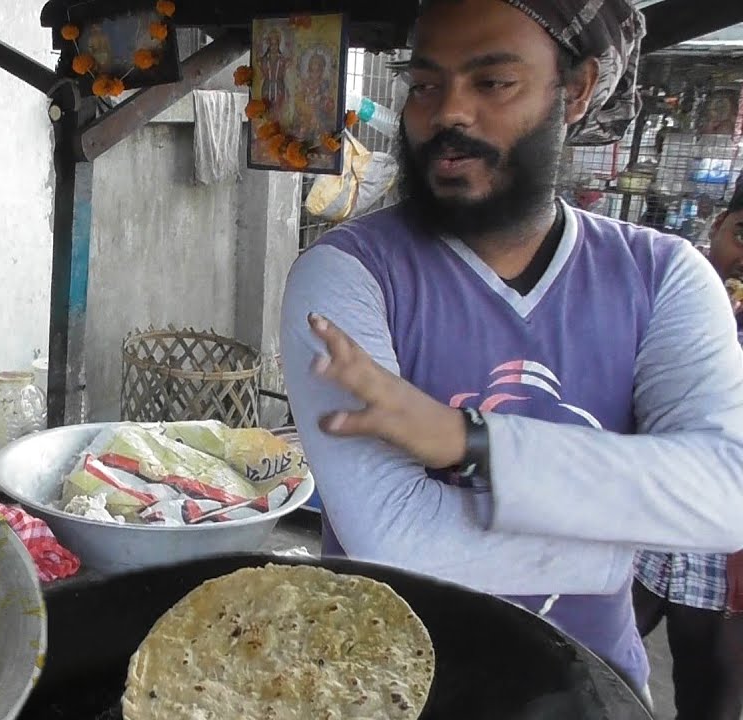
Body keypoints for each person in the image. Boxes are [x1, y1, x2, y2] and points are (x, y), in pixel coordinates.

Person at [279, 0, 743, 704]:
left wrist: (465, 439)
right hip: (389, 688)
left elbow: (726, 489)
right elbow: (397, 539)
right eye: (426, 85)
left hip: (591, 689)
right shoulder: (349, 275)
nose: (448, 115)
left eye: (493, 82)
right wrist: (633, 534)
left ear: (578, 89)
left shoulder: (663, 275)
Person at [632, 177, 743, 720]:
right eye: (741, 235)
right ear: (720, 226)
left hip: (728, 565)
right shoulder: (667, 296)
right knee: (585, 663)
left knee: (712, 699)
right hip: (640, 540)